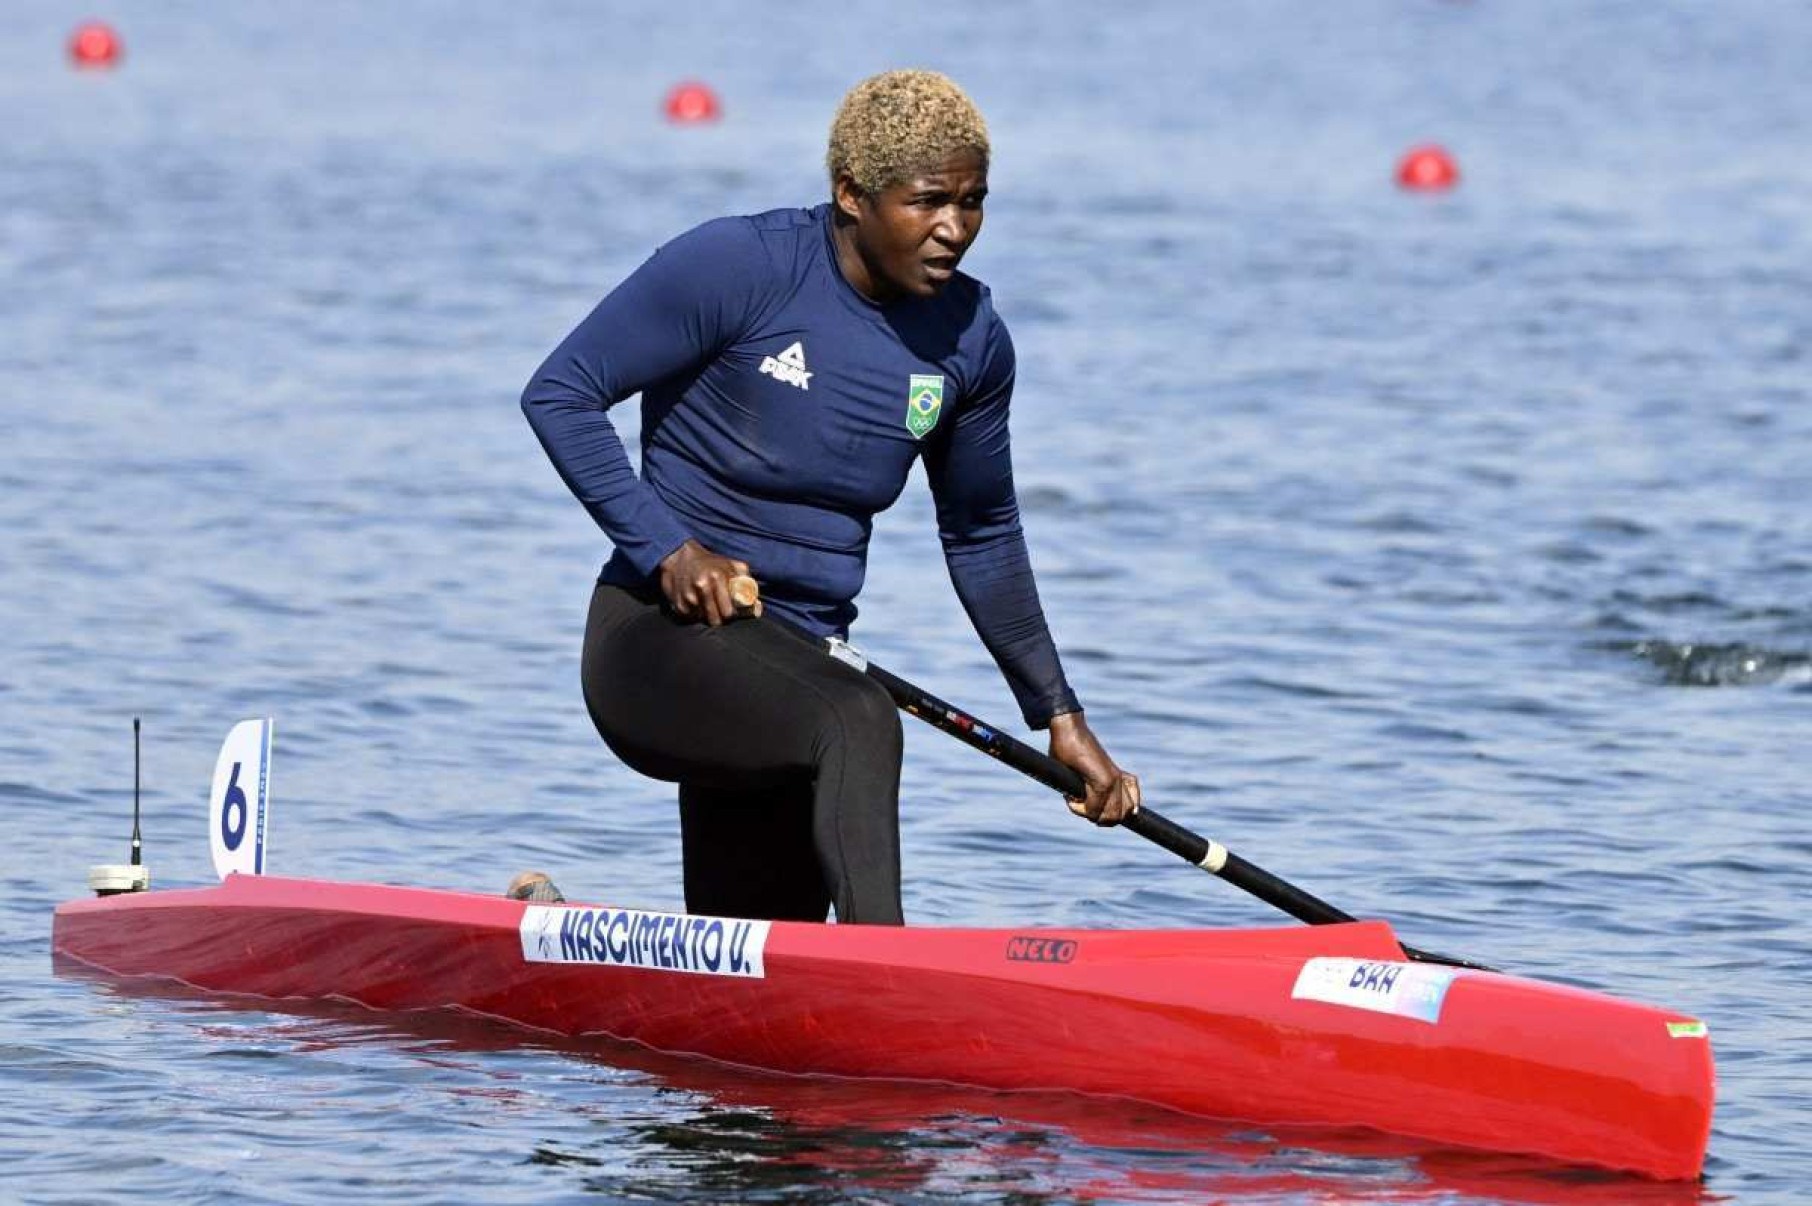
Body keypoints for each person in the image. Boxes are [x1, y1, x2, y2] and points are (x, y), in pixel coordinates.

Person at [520, 69, 1138, 925]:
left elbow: (983, 531)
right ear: (851, 193)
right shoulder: (739, 267)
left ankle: (573, 937)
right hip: (656, 643)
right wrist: (669, 548)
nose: (954, 229)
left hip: (797, 662)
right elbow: (561, 393)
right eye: (928, 202)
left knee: (760, 957)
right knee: (860, 717)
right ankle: (893, 982)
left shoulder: (972, 340)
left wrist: (1057, 713)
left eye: (973, 201)